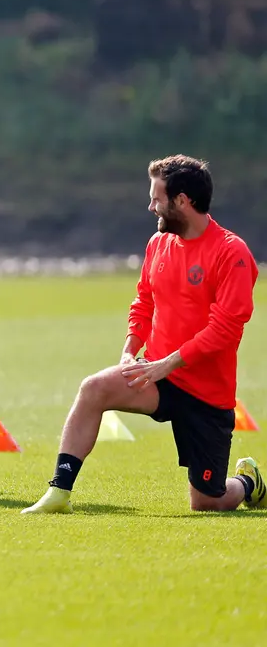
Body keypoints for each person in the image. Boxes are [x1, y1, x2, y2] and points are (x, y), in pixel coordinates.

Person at [23, 155, 264, 514]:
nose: (150, 206)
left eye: (157, 198)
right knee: (94, 388)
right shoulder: (158, 244)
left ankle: (247, 483)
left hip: (206, 394)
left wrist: (167, 363)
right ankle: (58, 492)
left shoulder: (232, 254)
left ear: (182, 201)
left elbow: (225, 330)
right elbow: (144, 303)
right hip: (157, 375)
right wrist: (129, 351)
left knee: (208, 501)